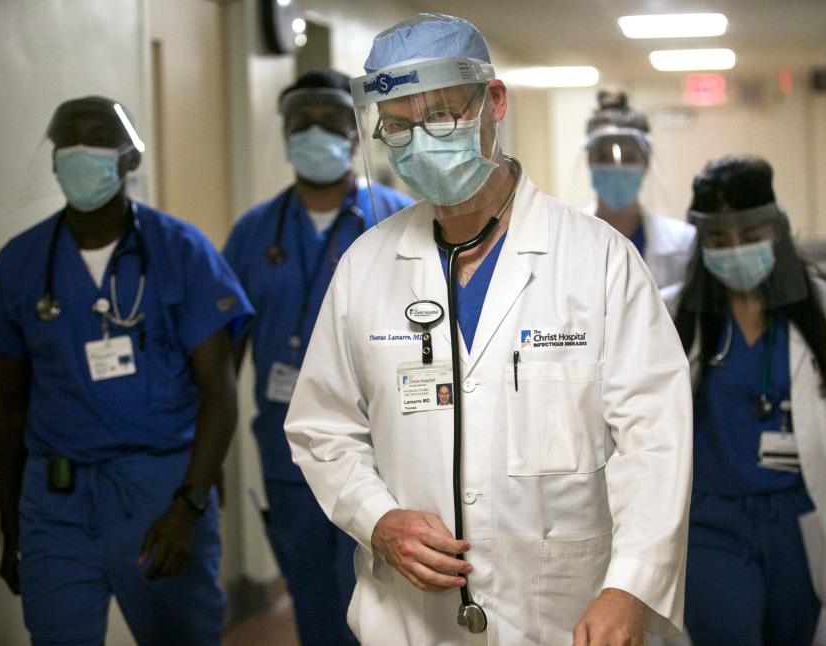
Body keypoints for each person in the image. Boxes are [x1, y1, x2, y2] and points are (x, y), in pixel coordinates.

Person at [284, 13, 692, 645]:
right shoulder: (365, 267)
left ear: (493, 102)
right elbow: (322, 427)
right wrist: (377, 518)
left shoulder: (599, 260)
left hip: (565, 613)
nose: (422, 140)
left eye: (442, 115)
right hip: (411, 621)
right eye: (399, 126)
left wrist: (630, 584)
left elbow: (655, 439)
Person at [0, 96, 252, 645]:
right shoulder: (20, 263)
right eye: (70, 140)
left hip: (161, 493)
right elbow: (7, 401)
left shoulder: (181, 252)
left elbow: (219, 395)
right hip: (55, 503)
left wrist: (191, 502)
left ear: (128, 158)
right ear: (55, 156)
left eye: (98, 137)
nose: (82, 151)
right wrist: (13, 526)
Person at [666, 155, 826, 645]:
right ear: (701, 244)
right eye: (719, 241)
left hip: (797, 520)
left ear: (776, 230)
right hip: (710, 520)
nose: (735, 251)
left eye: (750, 235)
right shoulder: (673, 313)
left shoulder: (823, 309)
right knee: (728, 632)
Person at [222, 70, 413, 644]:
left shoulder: (399, 219)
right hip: (291, 459)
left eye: (330, 119)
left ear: (356, 132)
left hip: (388, 444)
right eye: (300, 120)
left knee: (387, 598)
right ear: (282, 133)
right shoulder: (254, 233)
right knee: (314, 599)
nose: (314, 131)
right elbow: (223, 357)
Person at [584, 91, 694, 288]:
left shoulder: (683, 243)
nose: (617, 167)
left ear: (646, 163)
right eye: (604, 158)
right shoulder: (563, 240)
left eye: (629, 159)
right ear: (589, 162)